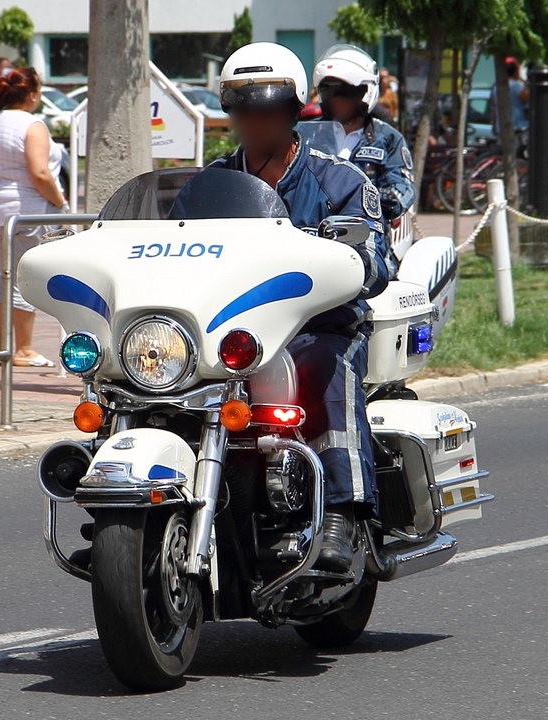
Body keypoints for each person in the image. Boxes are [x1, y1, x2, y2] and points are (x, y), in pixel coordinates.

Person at [214, 42, 392, 572]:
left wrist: (340, 256)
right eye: (243, 109)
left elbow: (375, 263)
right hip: (230, 335)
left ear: (293, 110)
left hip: (318, 327)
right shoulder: (213, 186)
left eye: (268, 109)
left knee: (326, 370)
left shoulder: (340, 181)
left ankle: (341, 512)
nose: (255, 120)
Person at [0, 67, 67, 368]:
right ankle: (24, 349)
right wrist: (60, 200)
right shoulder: (32, 124)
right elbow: (40, 172)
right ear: (31, 94)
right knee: (23, 280)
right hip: (27, 212)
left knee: (5, 277)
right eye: (38, 89)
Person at [312, 44, 416, 223]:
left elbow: (403, 190)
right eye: (329, 90)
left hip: (366, 230)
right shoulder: (308, 136)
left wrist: (368, 198)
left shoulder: (388, 139)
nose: (338, 99)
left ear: (366, 91)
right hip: (310, 229)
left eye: (346, 91)